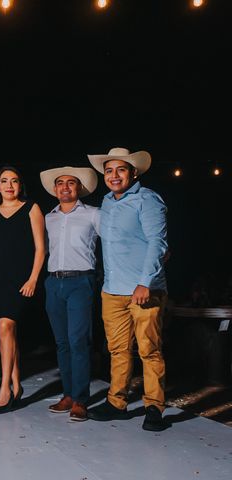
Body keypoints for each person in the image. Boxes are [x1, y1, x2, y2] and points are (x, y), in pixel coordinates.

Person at [85, 147, 169, 432]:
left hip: (143, 290)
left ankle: (154, 407)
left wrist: (145, 282)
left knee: (149, 351)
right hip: (112, 290)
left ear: (134, 172)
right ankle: (116, 402)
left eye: (121, 169)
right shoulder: (107, 202)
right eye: (109, 171)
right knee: (118, 350)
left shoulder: (148, 200)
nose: (114, 175)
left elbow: (159, 243)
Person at [0, 166, 46, 414]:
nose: (9, 185)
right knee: (10, 331)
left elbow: (41, 248)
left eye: (14, 181)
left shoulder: (32, 208)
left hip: (21, 279)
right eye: (4, 181)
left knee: (6, 327)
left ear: (20, 185)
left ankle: (5, 389)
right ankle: (17, 386)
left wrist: (32, 279)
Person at [39, 166, 99, 422]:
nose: (65, 187)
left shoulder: (94, 214)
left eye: (71, 183)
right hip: (54, 283)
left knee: (78, 341)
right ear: (55, 190)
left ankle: (81, 399)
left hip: (80, 282)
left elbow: (117, 238)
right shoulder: (47, 218)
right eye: (60, 183)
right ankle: (67, 394)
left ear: (79, 188)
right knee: (62, 343)